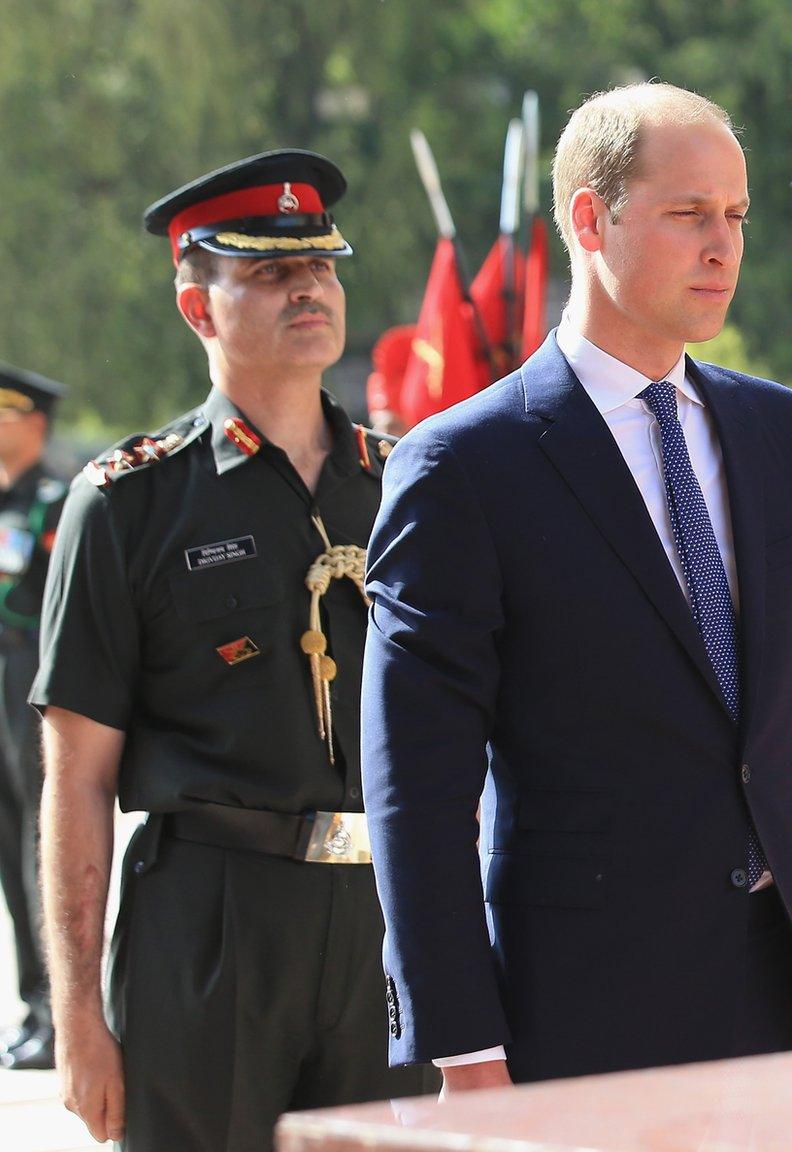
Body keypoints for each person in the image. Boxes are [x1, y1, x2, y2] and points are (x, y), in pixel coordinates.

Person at [363, 82, 792, 1089]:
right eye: (689, 213)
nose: (722, 245)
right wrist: (466, 1049)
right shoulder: (461, 467)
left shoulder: (786, 438)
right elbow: (417, 791)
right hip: (580, 1019)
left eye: (735, 216)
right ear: (588, 218)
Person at [33, 150, 434, 1149]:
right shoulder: (127, 502)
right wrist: (78, 1016)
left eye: (322, 266)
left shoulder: (411, 485)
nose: (308, 286)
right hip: (209, 917)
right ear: (196, 309)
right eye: (265, 271)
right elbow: (75, 778)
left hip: (386, 919)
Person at [0, 365, 66, 1071]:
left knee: (36, 845)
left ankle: (57, 1010)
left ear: (35, 422)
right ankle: (30, 1007)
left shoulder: (53, 503)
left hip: (28, 678)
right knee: (6, 851)